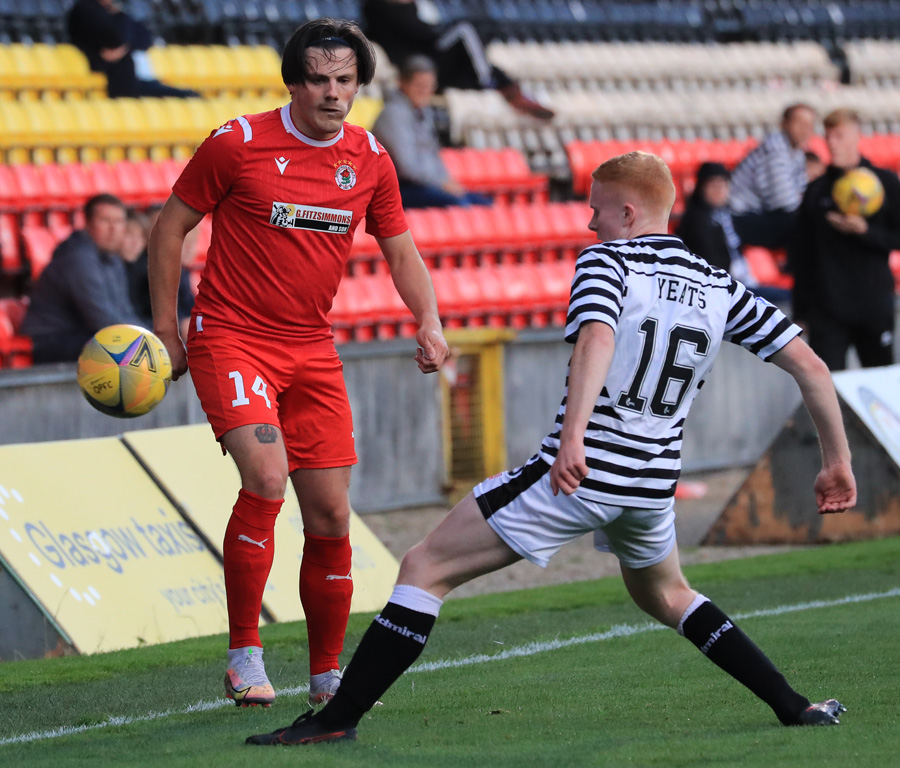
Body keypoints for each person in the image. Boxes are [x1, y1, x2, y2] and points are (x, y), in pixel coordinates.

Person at [246, 151, 857, 747]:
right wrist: (837, 462)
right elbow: (813, 369)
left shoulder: (609, 263)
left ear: (624, 212)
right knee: (668, 594)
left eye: (595, 210)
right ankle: (792, 706)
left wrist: (571, 442)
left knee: (424, 568)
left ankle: (336, 717)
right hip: (652, 481)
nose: (590, 222)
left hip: (587, 464)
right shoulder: (720, 285)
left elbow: (597, 337)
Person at [148, 18, 450, 710]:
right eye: (319, 78)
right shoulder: (240, 143)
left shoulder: (370, 157)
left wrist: (428, 321)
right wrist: (169, 332)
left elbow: (401, 250)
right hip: (231, 336)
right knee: (266, 475)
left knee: (333, 516)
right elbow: (169, 227)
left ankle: (326, 673)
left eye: (345, 80)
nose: (333, 93)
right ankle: (244, 654)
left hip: (312, 347)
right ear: (294, 80)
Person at [790, 108, 900, 371]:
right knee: (829, 386)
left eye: (839, 136)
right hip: (827, 309)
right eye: (828, 136)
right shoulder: (817, 191)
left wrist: (865, 231)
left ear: (856, 136)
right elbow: (802, 254)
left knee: (880, 384)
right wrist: (801, 312)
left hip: (873, 304)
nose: (832, 143)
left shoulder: (884, 182)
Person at [362, 0, 554, 119]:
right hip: (421, 62)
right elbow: (421, 34)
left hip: (435, 60)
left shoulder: (407, 7)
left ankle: (509, 90)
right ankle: (490, 83)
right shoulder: (380, 9)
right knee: (465, 30)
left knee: (472, 50)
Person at [21, 194, 146, 364]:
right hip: (51, 341)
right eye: (105, 220)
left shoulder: (112, 258)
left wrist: (153, 336)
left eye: (119, 221)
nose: (114, 229)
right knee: (130, 351)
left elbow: (124, 312)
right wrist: (147, 340)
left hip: (83, 335)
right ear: (87, 224)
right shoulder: (78, 259)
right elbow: (101, 318)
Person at [372, 55, 492, 209]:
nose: (425, 92)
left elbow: (433, 155)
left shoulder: (422, 112)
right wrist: (441, 183)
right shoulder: (392, 115)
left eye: (429, 86)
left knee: (484, 203)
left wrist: (446, 180)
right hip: (397, 188)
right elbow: (406, 167)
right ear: (402, 83)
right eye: (419, 86)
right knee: (460, 205)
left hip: (423, 185)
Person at [678, 163, 789, 303]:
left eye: (723, 185)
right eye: (713, 186)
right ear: (701, 187)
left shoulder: (727, 216)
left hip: (741, 284)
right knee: (786, 300)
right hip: (723, 290)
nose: (719, 191)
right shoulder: (696, 221)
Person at [67, 0, 198, 99]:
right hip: (115, 79)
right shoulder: (85, 9)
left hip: (127, 77)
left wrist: (122, 46)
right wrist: (122, 42)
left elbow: (144, 39)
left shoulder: (115, 14)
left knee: (179, 93)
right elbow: (114, 39)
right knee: (182, 95)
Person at [729, 103, 817, 248]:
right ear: (784, 124)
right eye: (799, 122)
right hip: (740, 217)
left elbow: (801, 192)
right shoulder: (775, 151)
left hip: (758, 213)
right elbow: (785, 202)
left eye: (809, 125)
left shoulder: (796, 153)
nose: (805, 129)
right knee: (806, 223)